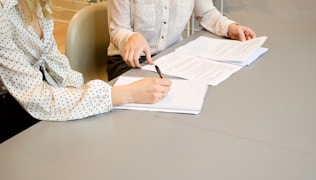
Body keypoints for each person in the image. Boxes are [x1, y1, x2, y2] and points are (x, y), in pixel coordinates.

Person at [0, 0, 172, 143]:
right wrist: (127, 94)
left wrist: (75, 90)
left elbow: (52, 58)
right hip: (12, 108)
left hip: (36, 92)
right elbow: (37, 98)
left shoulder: (36, 4)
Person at [107, 0, 257, 80]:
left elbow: (207, 13)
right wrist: (131, 37)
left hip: (171, 58)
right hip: (129, 62)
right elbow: (118, 29)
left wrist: (229, 27)